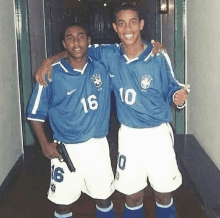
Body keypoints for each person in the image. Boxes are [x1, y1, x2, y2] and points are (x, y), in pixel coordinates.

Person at [35, 4, 188, 218]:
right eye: (122, 23)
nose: (128, 28)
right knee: (132, 196)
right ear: (115, 28)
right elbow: (77, 47)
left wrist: (178, 97)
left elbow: (174, 87)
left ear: (141, 25)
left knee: (163, 194)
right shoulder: (108, 54)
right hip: (129, 135)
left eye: (133, 22)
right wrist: (49, 61)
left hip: (158, 134)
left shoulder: (158, 56)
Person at [27, 22, 116, 218]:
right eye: (70, 38)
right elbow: (34, 114)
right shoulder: (51, 73)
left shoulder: (102, 68)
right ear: (64, 44)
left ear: (89, 41)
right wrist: (44, 144)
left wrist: (154, 47)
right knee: (63, 205)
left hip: (97, 147)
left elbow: (130, 51)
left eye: (81, 36)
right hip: (65, 148)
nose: (76, 42)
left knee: (104, 198)